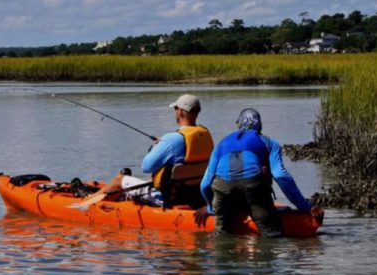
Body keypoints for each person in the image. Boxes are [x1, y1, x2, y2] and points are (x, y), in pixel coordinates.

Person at [199, 108, 324, 237]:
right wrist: (305, 207)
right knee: (272, 234)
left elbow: (205, 184)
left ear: (239, 125)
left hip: (222, 188)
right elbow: (280, 176)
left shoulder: (220, 145)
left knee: (222, 234)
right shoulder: (270, 143)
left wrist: (211, 207)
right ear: (260, 126)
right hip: (253, 186)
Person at [89, 94, 213, 207]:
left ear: (180, 112)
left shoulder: (170, 139)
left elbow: (146, 167)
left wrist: (156, 147)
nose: (175, 112)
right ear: (197, 112)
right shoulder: (205, 134)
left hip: (170, 200)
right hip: (196, 197)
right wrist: (163, 145)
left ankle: (87, 201)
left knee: (121, 179)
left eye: (175, 109)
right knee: (150, 180)